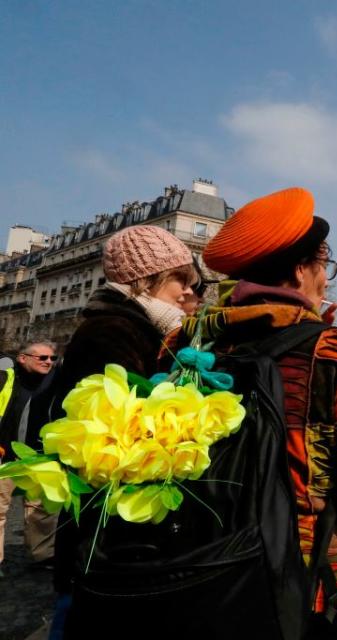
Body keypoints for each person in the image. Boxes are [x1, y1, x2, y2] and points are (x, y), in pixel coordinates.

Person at [189, 186, 337, 639]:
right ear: (299, 269)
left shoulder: (193, 343)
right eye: (322, 266)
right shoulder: (336, 350)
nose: (325, 280)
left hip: (207, 561)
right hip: (309, 578)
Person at [51, 225, 200, 636]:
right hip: (102, 532)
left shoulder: (133, 327)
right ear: (143, 279)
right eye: (180, 279)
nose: (187, 291)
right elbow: (120, 432)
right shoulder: (112, 332)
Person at [0, 340, 59, 575]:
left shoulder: (55, 381)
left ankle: (42, 555)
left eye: (52, 358)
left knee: (42, 509)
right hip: (6, 455)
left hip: (39, 457)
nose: (48, 362)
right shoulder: (5, 377)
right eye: (42, 358)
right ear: (22, 358)